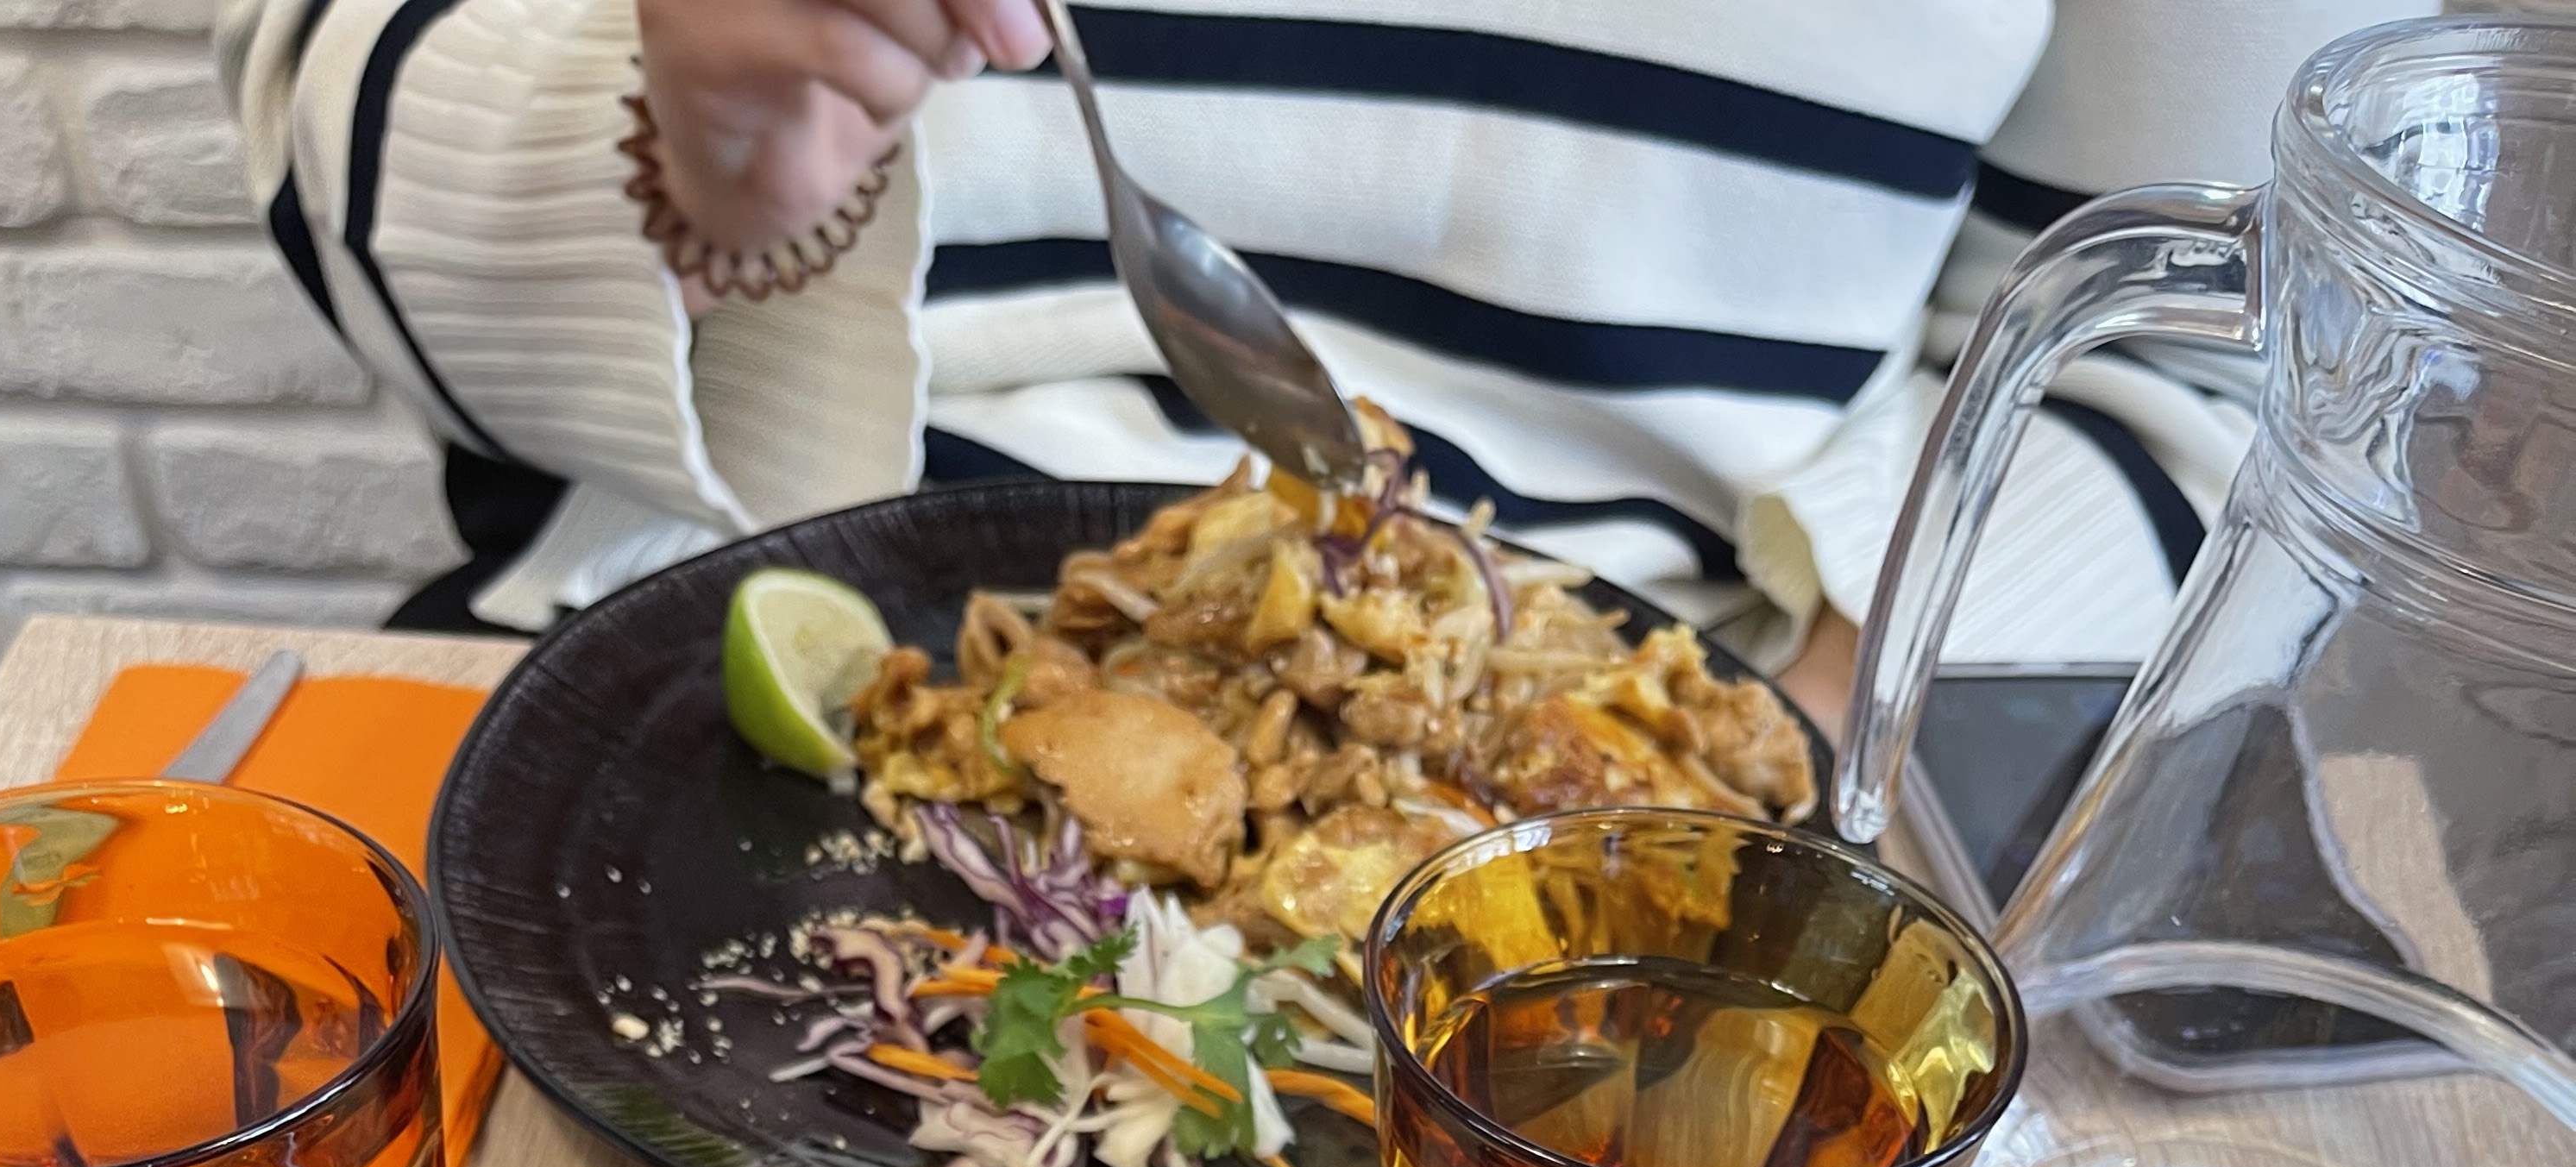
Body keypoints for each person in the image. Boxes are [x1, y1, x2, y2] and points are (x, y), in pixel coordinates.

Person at [216, 0, 2417, 671]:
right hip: (713, 659)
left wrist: (1794, 777)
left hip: (1676, 764)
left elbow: (2217, 379)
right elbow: (328, 102)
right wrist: (700, 152)